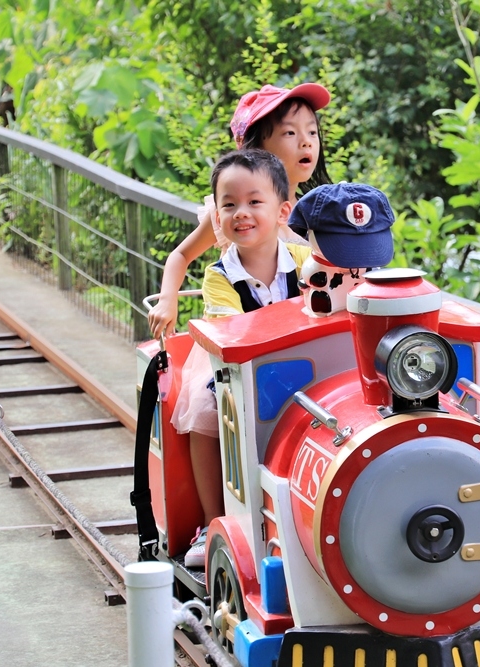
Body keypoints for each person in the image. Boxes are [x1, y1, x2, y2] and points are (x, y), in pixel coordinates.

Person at [177, 148, 311, 567]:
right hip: (236, 365)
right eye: (229, 204)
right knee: (206, 408)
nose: (242, 213)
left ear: (283, 211)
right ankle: (211, 518)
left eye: (255, 202)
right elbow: (235, 332)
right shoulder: (219, 276)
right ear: (216, 217)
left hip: (302, 361)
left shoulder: (307, 261)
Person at [147, 82, 332, 340]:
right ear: (256, 151)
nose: (306, 143)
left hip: (301, 337)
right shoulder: (230, 214)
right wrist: (168, 300)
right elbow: (181, 254)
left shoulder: (319, 212)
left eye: (312, 132)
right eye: (290, 133)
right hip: (238, 333)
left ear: (283, 212)